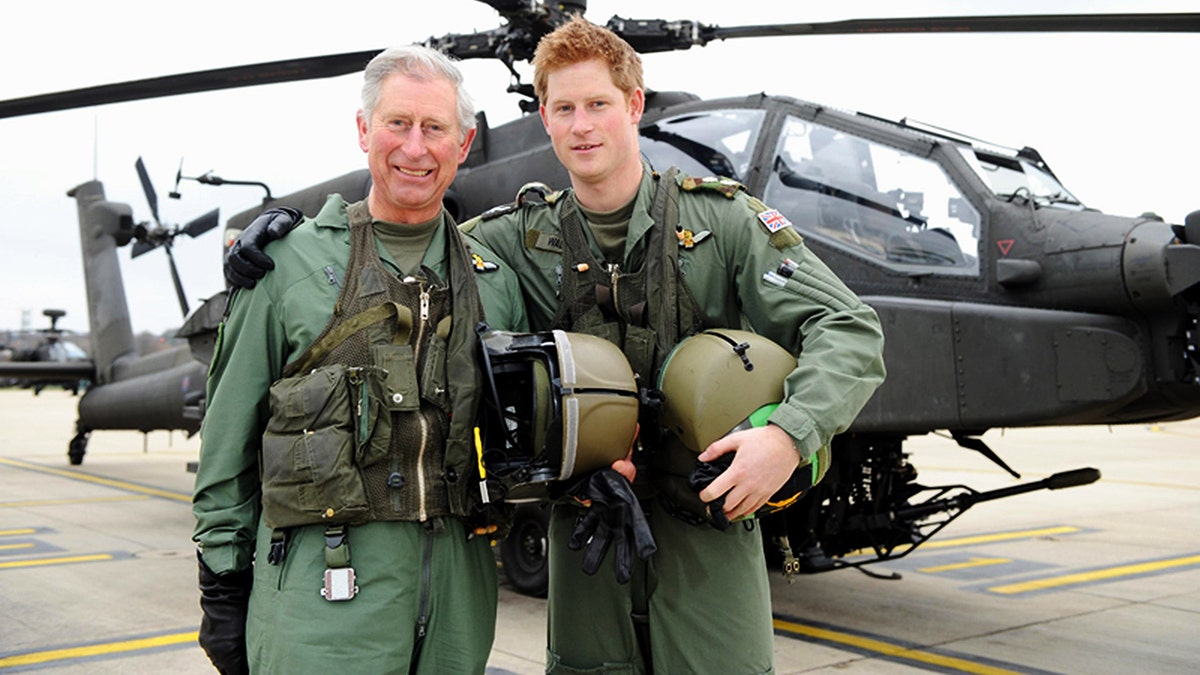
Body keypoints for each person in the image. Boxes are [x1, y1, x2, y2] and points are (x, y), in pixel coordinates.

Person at [226, 17, 886, 674]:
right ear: (544, 117)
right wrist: (290, 232)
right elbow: (409, 230)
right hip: (586, 539)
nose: (582, 125)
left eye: (598, 104)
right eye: (563, 108)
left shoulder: (722, 222)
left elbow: (849, 328)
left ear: (633, 105)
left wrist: (787, 436)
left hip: (709, 536)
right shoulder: (513, 238)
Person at [192, 45, 526, 675]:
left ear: (465, 143)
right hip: (324, 595)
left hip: (459, 595)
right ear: (363, 129)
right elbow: (227, 438)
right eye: (398, 123)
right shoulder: (285, 267)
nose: (415, 148)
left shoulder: (495, 277)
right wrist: (221, 586)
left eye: (435, 128)